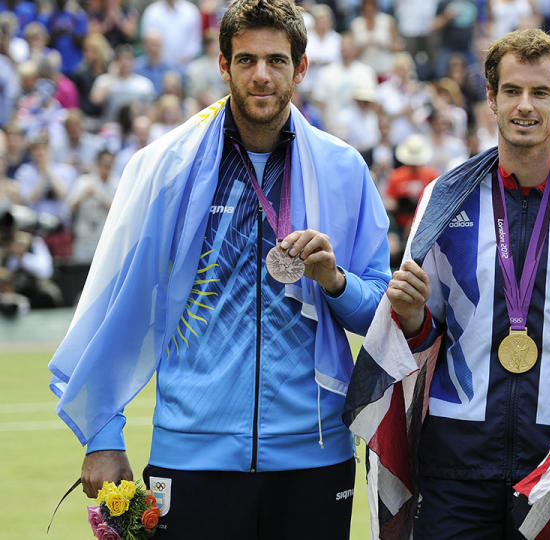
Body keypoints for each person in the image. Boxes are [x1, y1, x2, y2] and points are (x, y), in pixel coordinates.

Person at [48, 1, 391, 538]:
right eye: (246, 59)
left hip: (313, 456)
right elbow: (120, 304)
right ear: (223, 65)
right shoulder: (167, 168)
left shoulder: (343, 169)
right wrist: (103, 436)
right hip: (192, 457)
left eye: (276, 61)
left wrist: (335, 282)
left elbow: (379, 312)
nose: (261, 75)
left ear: (300, 68)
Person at [344, 28, 550, 539]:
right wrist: (410, 318)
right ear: (491, 98)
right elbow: (426, 334)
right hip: (456, 457)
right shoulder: (445, 199)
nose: (525, 106)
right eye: (512, 91)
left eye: (540, 92)